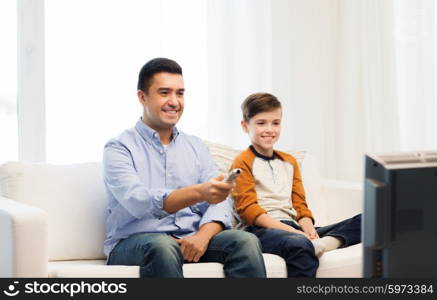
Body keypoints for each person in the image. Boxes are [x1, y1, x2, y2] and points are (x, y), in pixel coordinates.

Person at [102, 58, 266, 278]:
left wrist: (202, 236)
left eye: (180, 93)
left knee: (245, 240)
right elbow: (139, 202)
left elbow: (221, 200)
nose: (174, 101)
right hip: (134, 242)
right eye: (164, 93)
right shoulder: (119, 148)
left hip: (191, 236)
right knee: (162, 247)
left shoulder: (196, 146)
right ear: (142, 97)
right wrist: (199, 192)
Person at [230, 92, 361, 277]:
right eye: (261, 123)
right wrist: (296, 233)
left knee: (368, 221)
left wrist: (308, 231)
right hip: (262, 230)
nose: (270, 129)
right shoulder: (241, 162)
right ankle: (310, 244)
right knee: (299, 245)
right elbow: (250, 211)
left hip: (294, 227)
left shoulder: (289, 161)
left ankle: (323, 243)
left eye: (275, 123)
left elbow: (300, 205)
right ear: (245, 126)